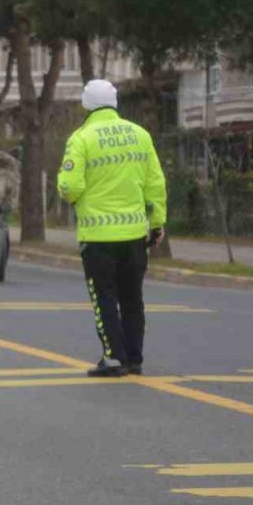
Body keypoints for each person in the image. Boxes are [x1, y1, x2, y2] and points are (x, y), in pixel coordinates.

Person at [57, 79, 166, 378]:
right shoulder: (140, 135)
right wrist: (157, 224)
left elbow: (70, 186)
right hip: (134, 236)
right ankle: (135, 358)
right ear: (115, 102)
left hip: (98, 239)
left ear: (86, 104)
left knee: (104, 297)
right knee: (133, 299)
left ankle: (113, 358)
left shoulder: (81, 138)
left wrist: (71, 195)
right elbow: (155, 183)